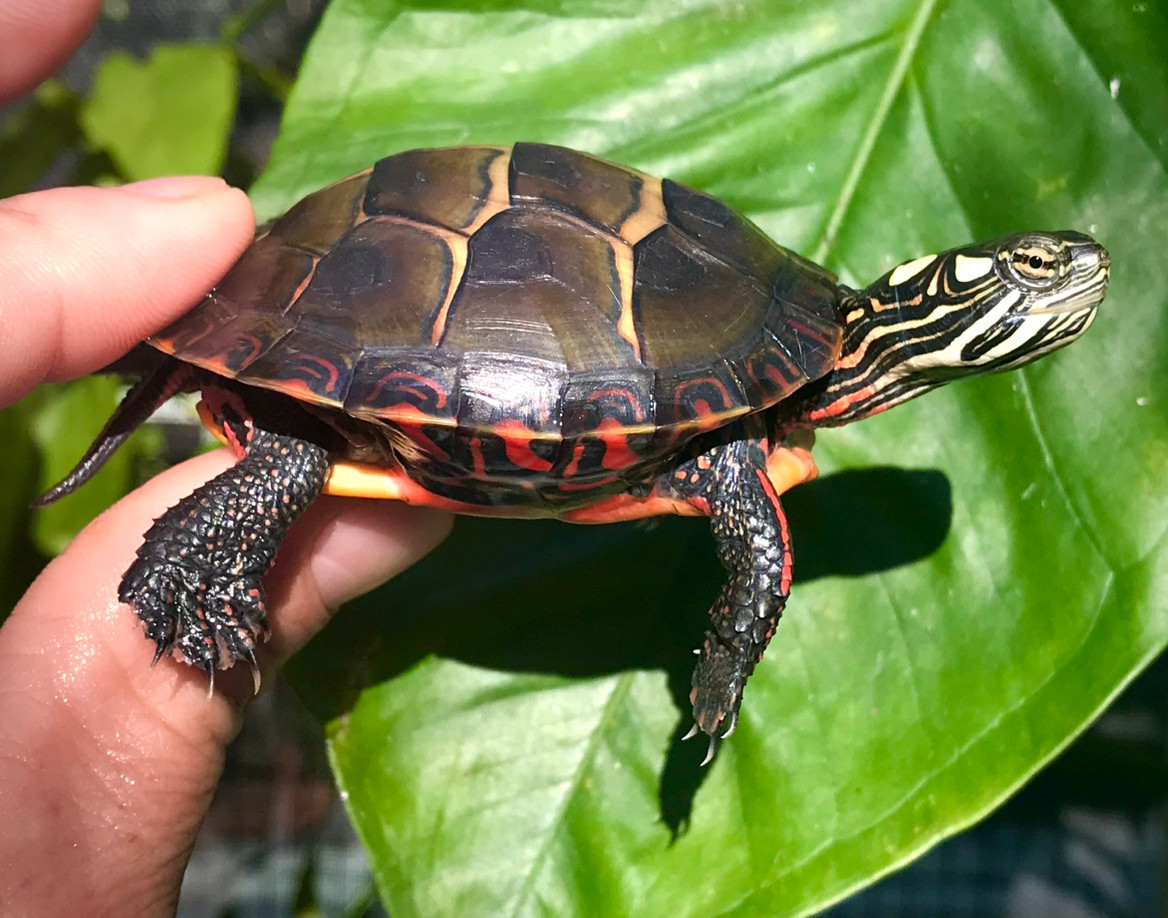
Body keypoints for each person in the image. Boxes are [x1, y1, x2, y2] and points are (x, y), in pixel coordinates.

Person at [0, 2, 453, 912]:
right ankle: (175, 575)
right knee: (292, 458)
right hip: (351, 390)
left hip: (356, 367)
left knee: (293, 458)